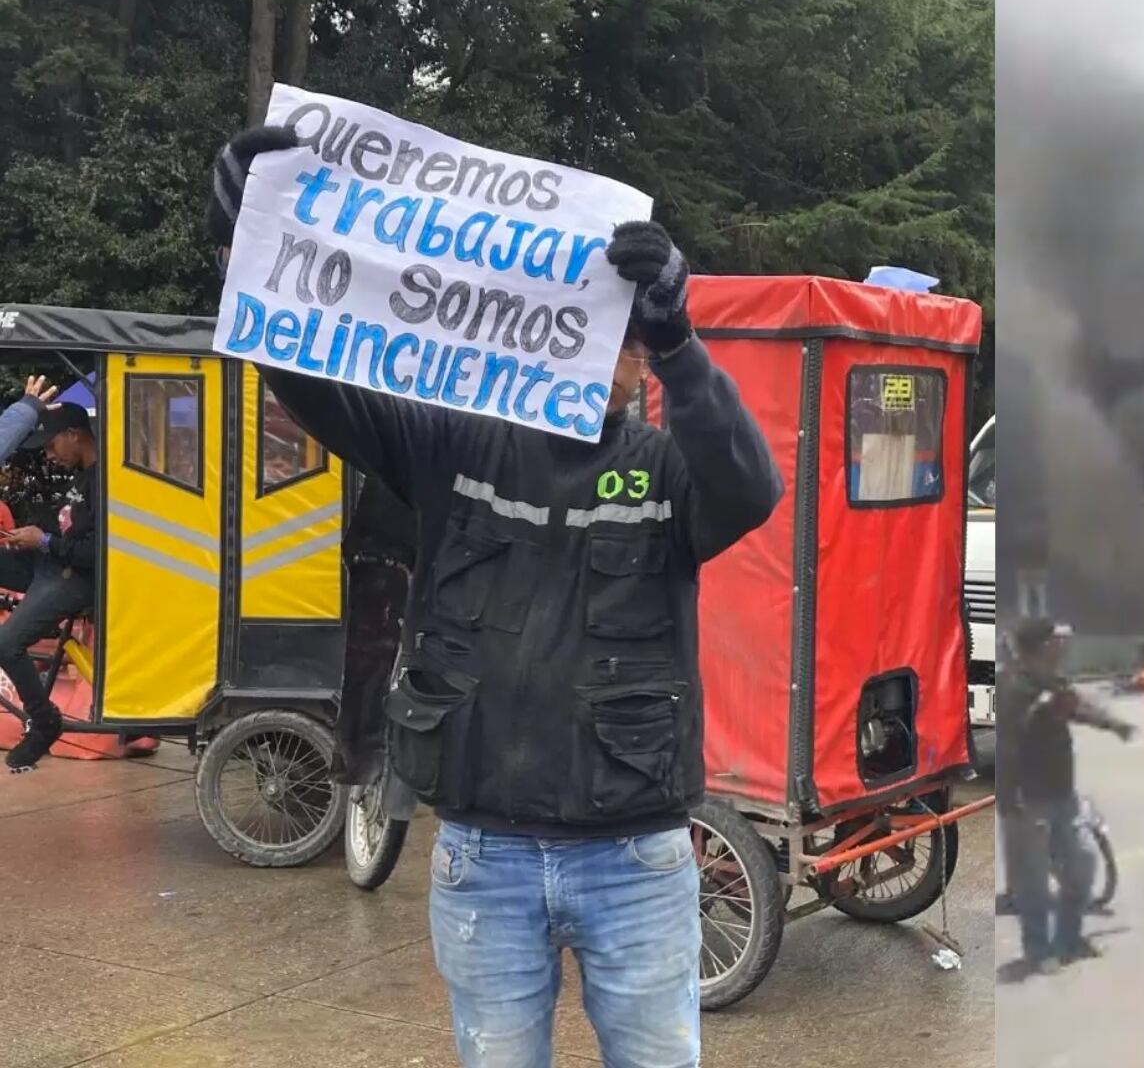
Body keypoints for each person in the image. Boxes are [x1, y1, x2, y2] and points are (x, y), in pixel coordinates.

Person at [210, 125, 783, 1068]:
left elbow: (751, 487)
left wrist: (682, 344)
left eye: (625, 339)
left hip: (635, 862)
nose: (605, 354)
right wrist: (256, 247)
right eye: (584, 326)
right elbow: (312, 380)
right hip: (486, 861)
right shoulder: (453, 445)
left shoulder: (666, 471)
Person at [999, 617, 1135, 977]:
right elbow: (1003, 744)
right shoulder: (1011, 686)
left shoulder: (1053, 682)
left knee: (1081, 866)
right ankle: (1039, 949)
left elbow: (1080, 708)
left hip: (1062, 792)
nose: (1065, 646)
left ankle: (1070, 939)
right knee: (1034, 883)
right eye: (1058, 641)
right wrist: (1009, 796)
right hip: (1027, 799)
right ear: (1043, 647)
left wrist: (1115, 724)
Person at [0, 376, 97, 773]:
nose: (48, 456)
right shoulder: (80, 476)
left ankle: (44, 720)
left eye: (52, 444)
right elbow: (66, 531)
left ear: (73, 434)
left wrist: (43, 542)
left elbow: (95, 551)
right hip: (51, 565)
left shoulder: (106, 480)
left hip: (73, 576)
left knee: (6, 646)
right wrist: (27, 539)